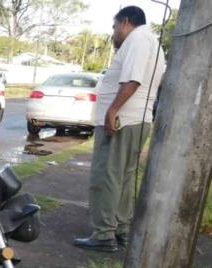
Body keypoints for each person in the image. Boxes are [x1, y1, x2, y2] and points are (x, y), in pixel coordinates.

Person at [73, 6, 165, 252]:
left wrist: (112, 111)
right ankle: (121, 230)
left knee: (107, 177)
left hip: (122, 121)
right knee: (123, 178)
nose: (113, 33)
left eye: (114, 28)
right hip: (137, 120)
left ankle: (104, 234)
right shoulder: (152, 42)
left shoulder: (136, 40)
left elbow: (132, 80)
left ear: (125, 22)